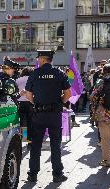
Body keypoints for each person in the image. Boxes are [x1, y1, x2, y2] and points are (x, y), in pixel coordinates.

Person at [22, 50, 71, 183]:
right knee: (56, 144)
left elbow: (28, 94)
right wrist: (60, 102)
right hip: (55, 114)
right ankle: (57, 174)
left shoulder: (34, 74)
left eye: (39, 59)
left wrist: (35, 103)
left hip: (39, 114)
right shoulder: (59, 73)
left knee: (36, 144)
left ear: (43, 59)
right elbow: (68, 93)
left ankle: (32, 174)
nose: (37, 61)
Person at [16, 67, 34, 148]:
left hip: (20, 102)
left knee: (22, 122)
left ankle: (24, 138)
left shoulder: (18, 80)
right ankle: (30, 142)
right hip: (30, 102)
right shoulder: (33, 79)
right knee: (30, 122)